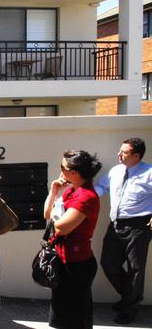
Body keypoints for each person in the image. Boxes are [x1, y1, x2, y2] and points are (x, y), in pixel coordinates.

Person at [94, 138, 152, 325]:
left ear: (136, 156)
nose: (119, 154)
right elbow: (102, 187)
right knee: (108, 263)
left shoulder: (149, 173)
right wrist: (84, 195)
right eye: (120, 150)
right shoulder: (116, 171)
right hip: (116, 224)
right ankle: (129, 297)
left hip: (139, 226)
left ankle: (130, 309)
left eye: (124, 152)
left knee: (135, 269)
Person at [43, 150, 102, 329]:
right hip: (65, 261)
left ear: (74, 172)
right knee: (63, 316)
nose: (60, 170)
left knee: (74, 318)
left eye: (63, 167)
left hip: (76, 265)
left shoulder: (86, 197)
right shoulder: (72, 192)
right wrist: (54, 191)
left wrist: (55, 214)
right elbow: (47, 213)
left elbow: (61, 227)